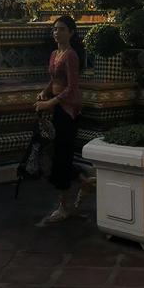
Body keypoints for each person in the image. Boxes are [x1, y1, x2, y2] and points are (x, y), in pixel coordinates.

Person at [34, 15, 94, 226]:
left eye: (61, 29)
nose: (56, 33)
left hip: (68, 110)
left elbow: (72, 87)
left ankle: (63, 206)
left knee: (62, 156)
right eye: (54, 29)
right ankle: (83, 181)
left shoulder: (71, 56)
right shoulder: (54, 54)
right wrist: (44, 93)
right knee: (54, 153)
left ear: (71, 32)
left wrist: (51, 103)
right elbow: (54, 80)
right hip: (55, 106)